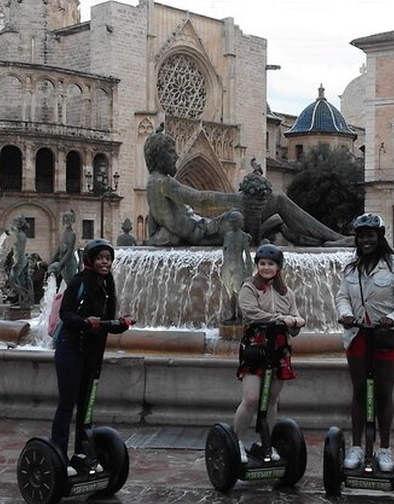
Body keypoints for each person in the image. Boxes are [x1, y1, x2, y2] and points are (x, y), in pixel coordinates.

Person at [143, 128, 349, 246]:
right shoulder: (164, 183)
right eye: (171, 152)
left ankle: (320, 242)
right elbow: (200, 199)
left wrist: (156, 240)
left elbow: (154, 224)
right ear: (160, 156)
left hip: (208, 230)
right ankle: (335, 239)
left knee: (277, 218)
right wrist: (239, 198)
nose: (177, 156)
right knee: (277, 200)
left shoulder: (152, 184)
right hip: (210, 232)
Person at [335, 213, 394, 473]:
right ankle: (356, 447)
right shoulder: (350, 267)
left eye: (370, 235)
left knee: (383, 393)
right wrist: (346, 314)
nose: (365, 240)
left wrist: (392, 318)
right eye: (361, 236)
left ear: (379, 237)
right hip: (357, 335)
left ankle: (384, 449)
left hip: (386, 336)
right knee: (358, 391)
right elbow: (342, 296)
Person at [50, 238, 130, 475]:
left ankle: (82, 454)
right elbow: (66, 314)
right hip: (71, 349)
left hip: (93, 353)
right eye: (100, 258)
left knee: (87, 407)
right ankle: (59, 455)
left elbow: (106, 323)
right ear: (90, 260)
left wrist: (122, 324)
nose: (105, 262)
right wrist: (86, 322)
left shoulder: (108, 285)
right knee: (67, 404)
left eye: (108, 258)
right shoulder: (78, 282)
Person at [232, 244, 305, 464]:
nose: (266, 268)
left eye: (270, 264)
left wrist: (297, 322)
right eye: (262, 264)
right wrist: (281, 319)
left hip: (279, 347)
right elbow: (251, 312)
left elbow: (295, 317)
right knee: (252, 398)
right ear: (257, 266)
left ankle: (267, 442)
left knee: (272, 398)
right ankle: (236, 442)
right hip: (256, 345)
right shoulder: (249, 288)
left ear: (278, 267)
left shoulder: (287, 292)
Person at [220, 210, 252, 322]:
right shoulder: (227, 236)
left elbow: (247, 255)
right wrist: (223, 267)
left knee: (239, 291)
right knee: (230, 292)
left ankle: (240, 316)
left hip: (238, 265)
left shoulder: (244, 237)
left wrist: (249, 272)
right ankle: (233, 315)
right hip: (228, 265)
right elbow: (224, 250)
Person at [48, 210, 79, 290]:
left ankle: (74, 300)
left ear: (72, 220)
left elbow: (69, 251)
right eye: (64, 218)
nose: (66, 220)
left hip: (69, 263)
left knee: (71, 284)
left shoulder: (72, 234)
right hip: (63, 262)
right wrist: (52, 261)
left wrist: (60, 264)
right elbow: (59, 249)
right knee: (67, 283)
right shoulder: (64, 233)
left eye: (68, 218)